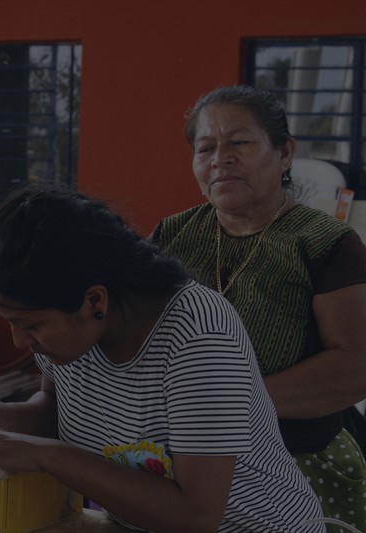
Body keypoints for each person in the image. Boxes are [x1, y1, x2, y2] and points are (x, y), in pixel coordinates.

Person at [0, 184, 325, 532]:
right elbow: (57, 407)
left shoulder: (197, 337)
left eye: (30, 324)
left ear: (94, 301)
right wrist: (10, 419)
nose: (21, 341)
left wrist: (44, 454)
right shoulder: (71, 337)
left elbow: (196, 515)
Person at [153, 84, 366, 530]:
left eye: (240, 142)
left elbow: (356, 366)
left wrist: (226, 406)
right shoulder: (171, 237)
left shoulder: (327, 243)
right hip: (183, 463)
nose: (220, 158)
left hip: (295, 465)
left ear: (285, 153)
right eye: (205, 147)